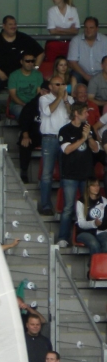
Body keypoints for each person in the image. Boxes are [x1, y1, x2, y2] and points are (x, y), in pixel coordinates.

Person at [0, 16, 43, 120]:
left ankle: (33, 108)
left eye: (14, 24)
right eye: (10, 24)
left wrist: (34, 68)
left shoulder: (24, 38)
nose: (13, 27)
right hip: (1, 75)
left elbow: (40, 53)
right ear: (4, 26)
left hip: (21, 75)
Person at [57, 104, 99, 247]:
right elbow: (67, 150)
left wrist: (89, 138)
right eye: (85, 112)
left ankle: (87, 236)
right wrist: (82, 138)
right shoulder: (65, 130)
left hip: (87, 175)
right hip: (70, 175)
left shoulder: (88, 128)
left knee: (89, 206)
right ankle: (63, 237)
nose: (88, 115)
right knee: (68, 207)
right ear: (76, 113)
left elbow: (95, 149)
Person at [37, 77, 74, 215]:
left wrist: (65, 100)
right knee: (47, 174)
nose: (61, 86)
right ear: (51, 86)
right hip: (50, 139)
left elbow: (72, 116)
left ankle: (65, 206)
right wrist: (59, 97)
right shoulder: (44, 98)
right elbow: (48, 111)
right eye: (57, 84)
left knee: (66, 174)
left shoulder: (69, 99)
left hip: (65, 140)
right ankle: (46, 206)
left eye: (63, 84)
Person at [68, 17, 107, 84]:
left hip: (101, 74)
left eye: (91, 28)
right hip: (81, 74)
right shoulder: (76, 40)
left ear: (97, 29)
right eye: (86, 27)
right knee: (74, 76)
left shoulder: (105, 40)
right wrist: (85, 76)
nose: (88, 30)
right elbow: (72, 62)